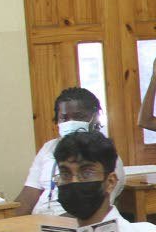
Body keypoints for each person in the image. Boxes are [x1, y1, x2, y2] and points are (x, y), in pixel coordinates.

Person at [15, 87, 126, 216]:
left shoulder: (105, 155)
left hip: (69, 227)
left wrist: (47, 228)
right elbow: (27, 197)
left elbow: (91, 211)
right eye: (64, 118)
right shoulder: (48, 148)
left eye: (79, 117)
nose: (70, 122)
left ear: (95, 116)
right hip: (36, 225)